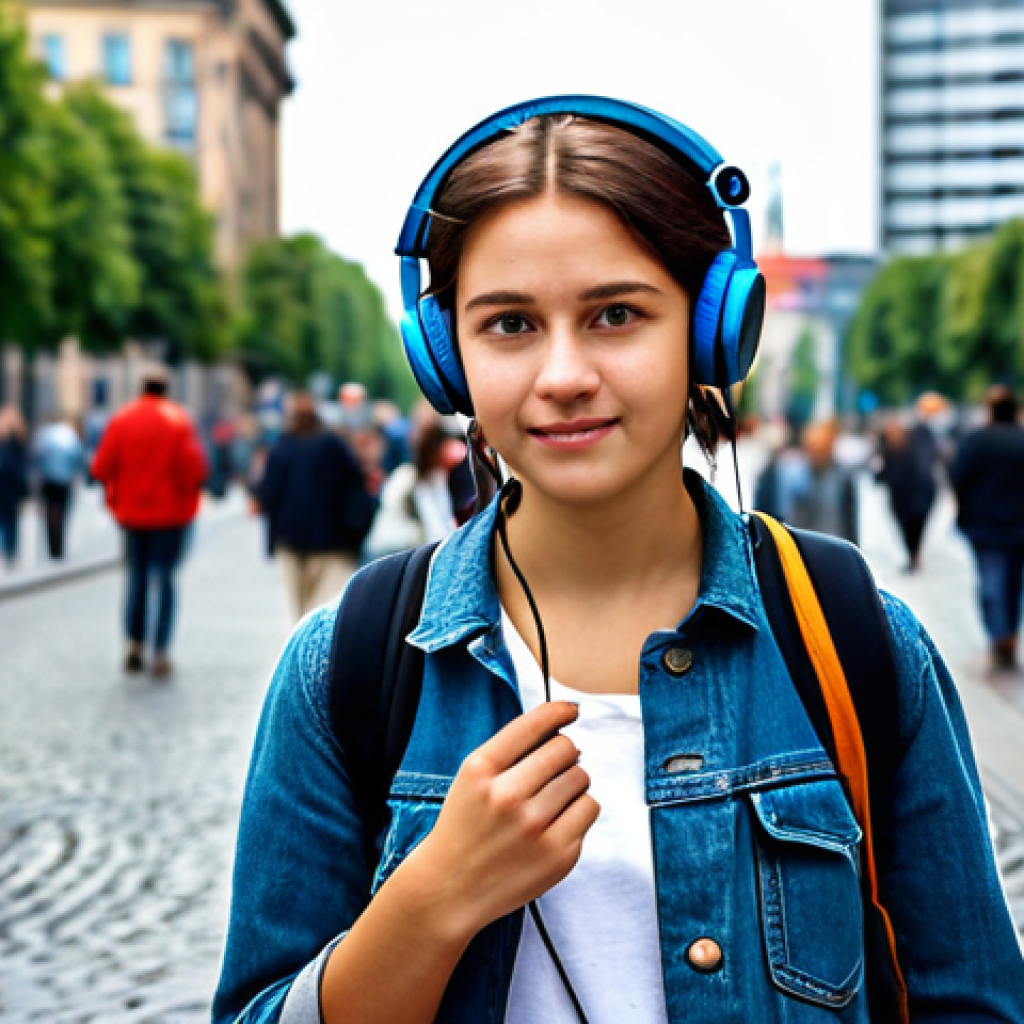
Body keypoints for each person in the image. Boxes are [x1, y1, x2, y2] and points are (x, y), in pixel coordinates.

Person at [213, 99, 1024, 1024]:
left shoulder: (859, 641)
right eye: (509, 324)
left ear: (711, 332)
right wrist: (430, 904)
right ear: (446, 359)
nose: (564, 375)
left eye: (615, 314)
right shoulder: (342, 668)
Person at [91, 367, 207, 676]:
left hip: (131, 514)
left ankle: (134, 643)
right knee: (165, 579)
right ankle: (161, 651)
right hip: (170, 515)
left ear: (141, 388)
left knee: (136, 578)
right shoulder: (178, 420)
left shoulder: (122, 419)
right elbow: (194, 470)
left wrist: (118, 493)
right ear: (166, 390)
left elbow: (101, 467)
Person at [257, 392, 374, 622]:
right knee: (323, 609)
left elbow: (269, 494)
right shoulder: (333, 447)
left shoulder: (281, 447)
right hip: (332, 540)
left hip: (290, 538)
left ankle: (298, 642)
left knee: (296, 609)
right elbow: (355, 490)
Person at [950, 385, 1024, 670]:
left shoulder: (977, 441)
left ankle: (998, 634)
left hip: (984, 525)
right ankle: (1009, 634)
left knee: (990, 581)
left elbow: (958, 477)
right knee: (1013, 583)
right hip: (1018, 526)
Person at [365, 420, 466, 561]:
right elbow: (434, 526)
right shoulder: (408, 476)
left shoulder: (436, 477)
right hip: (389, 549)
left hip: (408, 548)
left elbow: (442, 520)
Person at [874, 405, 939, 571]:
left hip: (916, 495)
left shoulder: (913, 445)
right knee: (905, 527)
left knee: (914, 527)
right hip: (900, 496)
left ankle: (914, 555)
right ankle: (913, 555)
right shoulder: (888, 448)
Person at [32, 414, 85, 560]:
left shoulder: (43, 435)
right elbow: (77, 456)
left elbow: (36, 457)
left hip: (48, 480)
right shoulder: (68, 435)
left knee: (50, 511)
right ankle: (59, 546)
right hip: (64, 480)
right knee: (62, 512)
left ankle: (52, 547)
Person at [0, 405, 29, 567]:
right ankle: (9, 550)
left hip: (9, 485)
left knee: (7, 519)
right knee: (10, 520)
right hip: (10, 485)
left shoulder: (15, 439)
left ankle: (8, 549)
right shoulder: (17, 439)